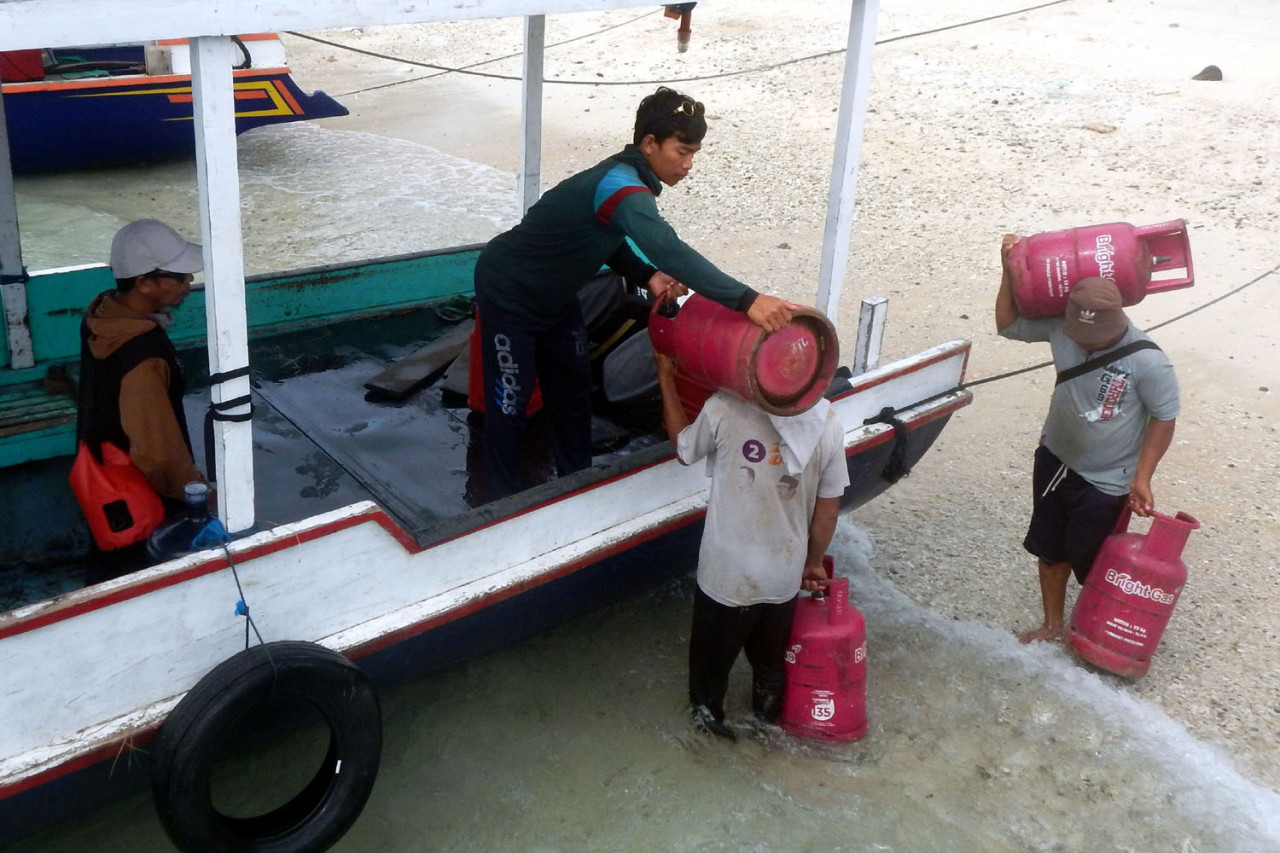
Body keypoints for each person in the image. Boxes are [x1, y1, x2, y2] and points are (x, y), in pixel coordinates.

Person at [474, 85, 795, 498]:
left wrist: (647, 276)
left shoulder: (622, 182)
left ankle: (577, 488)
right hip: (509, 291)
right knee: (509, 403)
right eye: (682, 151)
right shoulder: (622, 186)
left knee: (571, 396)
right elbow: (669, 248)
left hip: (555, 297)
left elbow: (606, 236)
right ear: (649, 144)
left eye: (694, 153)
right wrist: (748, 301)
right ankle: (495, 506)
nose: (689, 164)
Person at [655, 351, 849, 739]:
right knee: (770, 671)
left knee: (708, 684)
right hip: (782, 576)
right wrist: (811, 563)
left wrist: (666, 378)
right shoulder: (827, 422)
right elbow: (827, 511)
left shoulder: (725, 407)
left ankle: (710, 749)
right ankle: (767, 735)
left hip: (727, 578)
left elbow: (683, 449)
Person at [996, 234, 1180, 643]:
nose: (1086, 343)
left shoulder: (1148, 361)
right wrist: (1007, 272)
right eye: (1081, 334)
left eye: (1097, 338)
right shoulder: (1063, 329)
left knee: (1093, 558)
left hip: (1107, 481)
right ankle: (1052, 625)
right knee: (1049, 550)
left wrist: (1143, 477)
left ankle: (1097, 626)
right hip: (1055, 459)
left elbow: (1164, 418)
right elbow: (1007, 324)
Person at [76, 219, 206, 582]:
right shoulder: (142, 353)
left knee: (110, 556)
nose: (188, 283)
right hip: (140, 494)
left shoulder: (102, 316)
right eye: (178, 277)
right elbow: (157, 452)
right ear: (144, 282)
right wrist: (198, 496)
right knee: (142, 570)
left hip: (103, 470)